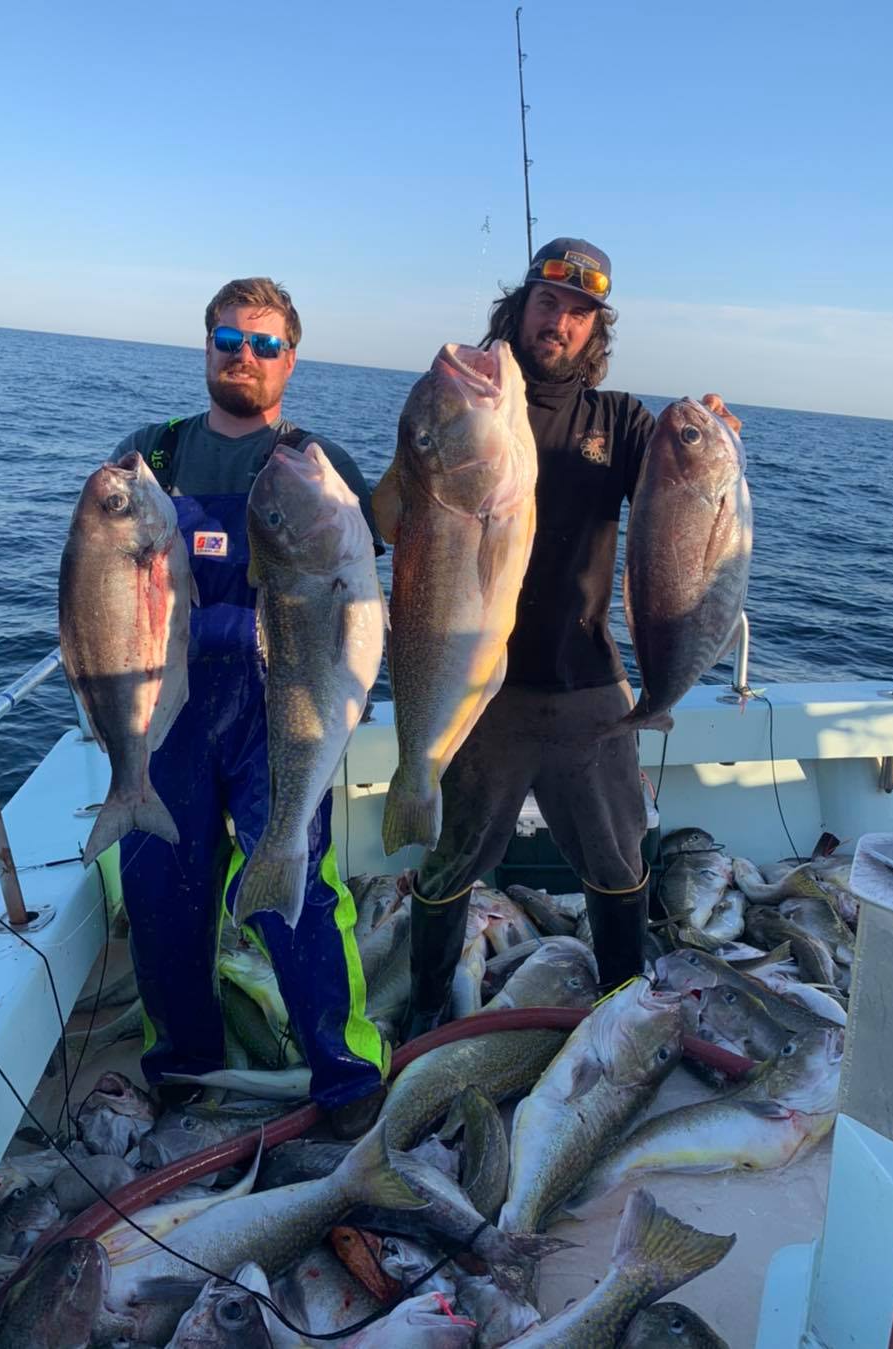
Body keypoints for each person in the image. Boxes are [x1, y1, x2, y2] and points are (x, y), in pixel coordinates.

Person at [381, 238, 742, 1032]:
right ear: (519, 307)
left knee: (618, 858)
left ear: (595, 331)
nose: (560, 322)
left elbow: (683, 493)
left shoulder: (617, 420)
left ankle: (622, 1007)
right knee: (449, 860)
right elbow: (393, 520)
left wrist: (711, 434)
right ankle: (428, 1006)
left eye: (579, 313)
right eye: (547, 302)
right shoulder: (466, 406)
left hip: (587, 683)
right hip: (481, 688)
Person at [112, 277, 387, 1136]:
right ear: (205, 347)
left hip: (284, 702)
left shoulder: (320, 462)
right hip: (170, 712)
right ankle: (182, 1062)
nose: (245, 355)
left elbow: (395, 547)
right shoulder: (150, 454)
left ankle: (344, 1072)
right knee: (162, 888)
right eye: (229, 338)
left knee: (298, 886)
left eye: (265, 344)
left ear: (290, 361)